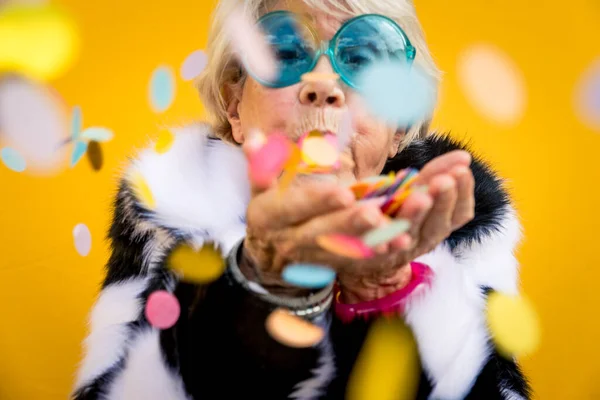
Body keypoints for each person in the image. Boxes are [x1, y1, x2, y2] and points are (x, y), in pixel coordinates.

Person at [72, 0, 531, 398]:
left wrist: (391, 301)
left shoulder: (459, 225)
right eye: (286, 53)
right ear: (235, 103)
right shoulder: (166, 212)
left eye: (364, 59)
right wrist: (257, 289)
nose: (323, 85)